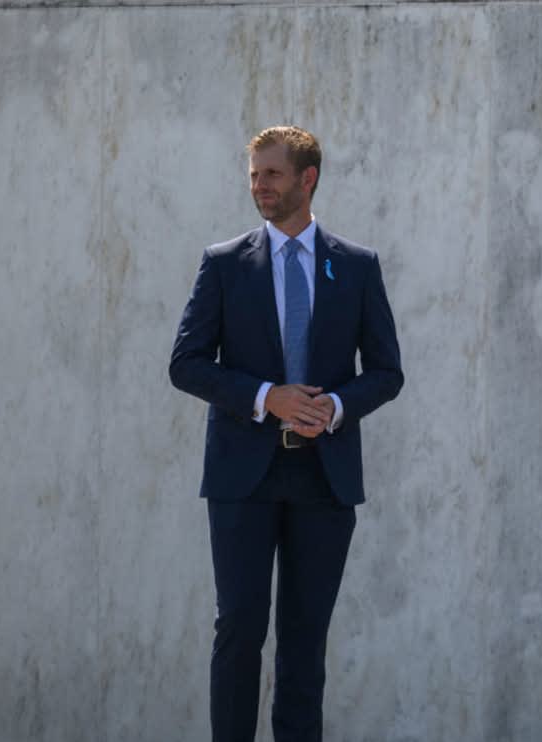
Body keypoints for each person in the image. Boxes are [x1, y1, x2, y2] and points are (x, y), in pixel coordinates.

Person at [170, 125, 403, 742]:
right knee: (240, 630)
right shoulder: (224, 264)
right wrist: (264, 396)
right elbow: (185, 363)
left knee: (304, 644)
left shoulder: (355, 266)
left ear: (308, 179)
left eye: (271, 174)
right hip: (242, 477)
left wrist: (337, 406)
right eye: (253, 175)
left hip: (323, 480)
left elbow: (386, 372)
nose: (259, 186)